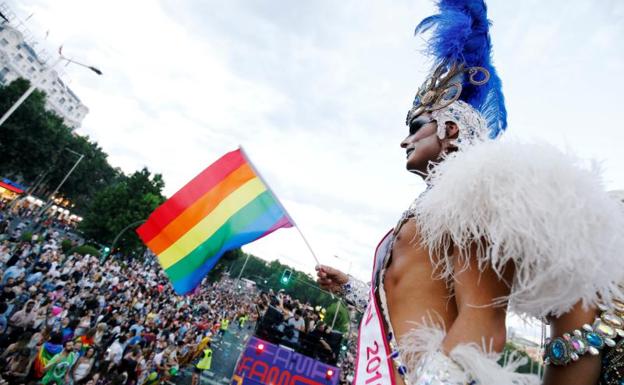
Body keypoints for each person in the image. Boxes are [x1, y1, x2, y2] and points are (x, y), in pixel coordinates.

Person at [316, 1, 624, 384]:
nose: (404, 141)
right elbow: (407, 313)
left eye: (417, 126)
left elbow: (482, 328)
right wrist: (350, 288)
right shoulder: (428, 208)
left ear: (452, 129)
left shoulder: (475, 195)